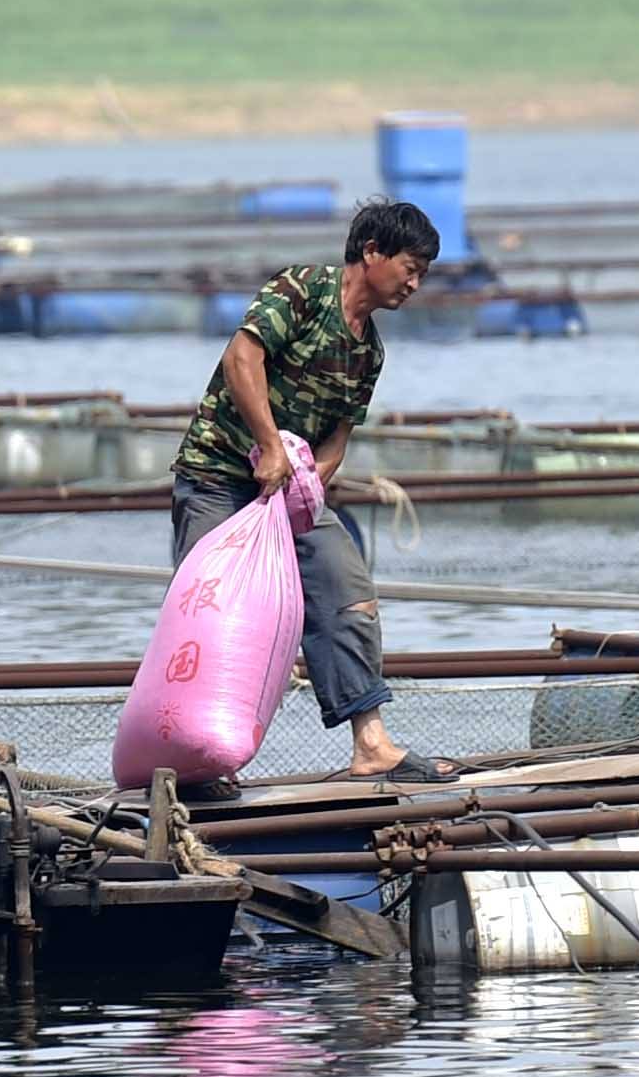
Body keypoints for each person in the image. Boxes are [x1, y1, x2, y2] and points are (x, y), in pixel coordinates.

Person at [168, 196, 456, 785]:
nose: (415, 283)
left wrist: (310, 480)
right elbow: (241, 358)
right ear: (372, 253)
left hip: (284, 499)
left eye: (423, 272)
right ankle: (198, 763)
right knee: (211, 617)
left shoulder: (369, 351)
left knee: (348, 594)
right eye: (410, 267)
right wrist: (271, 446)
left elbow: (338, 437)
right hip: (219, 479)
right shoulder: (303, 291)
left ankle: (371, 743)